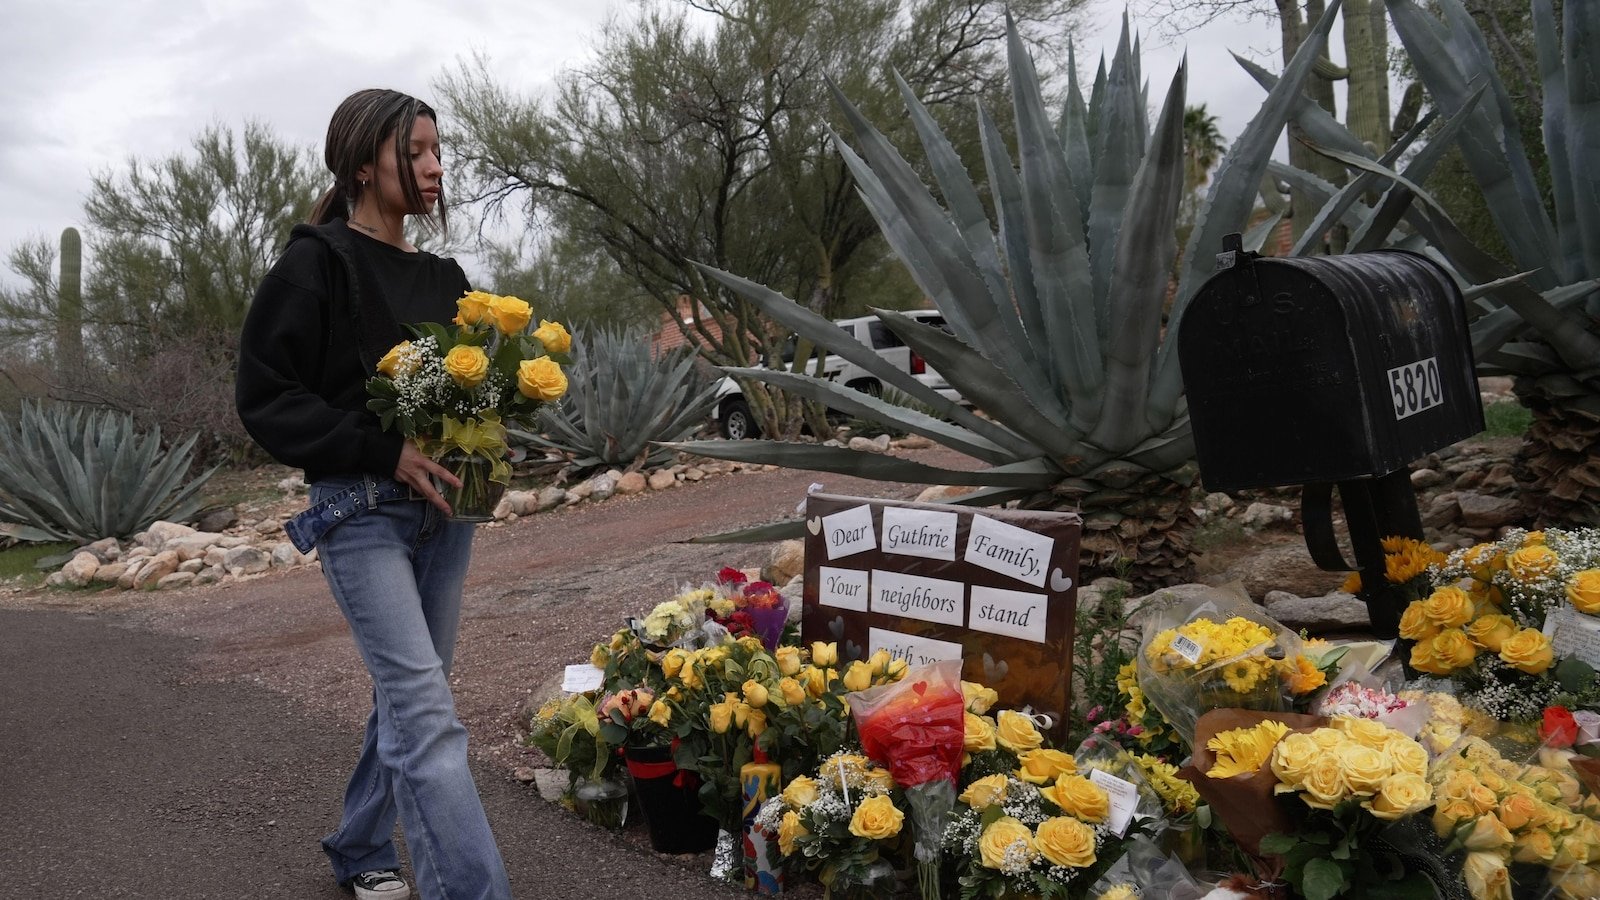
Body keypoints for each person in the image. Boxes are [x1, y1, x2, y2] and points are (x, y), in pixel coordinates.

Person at [235, 88, 512, 900]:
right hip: (361, 515)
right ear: (364, 163)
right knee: (427, 717)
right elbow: (265, 397)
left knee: (412, 695)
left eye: (436, 150)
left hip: (446, 515)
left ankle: (361, 845)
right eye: (416, 152)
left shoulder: (445, 275)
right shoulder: (315, 263)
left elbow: (467, 396)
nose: (434, 167)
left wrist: (491, 435)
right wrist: (383, 449)